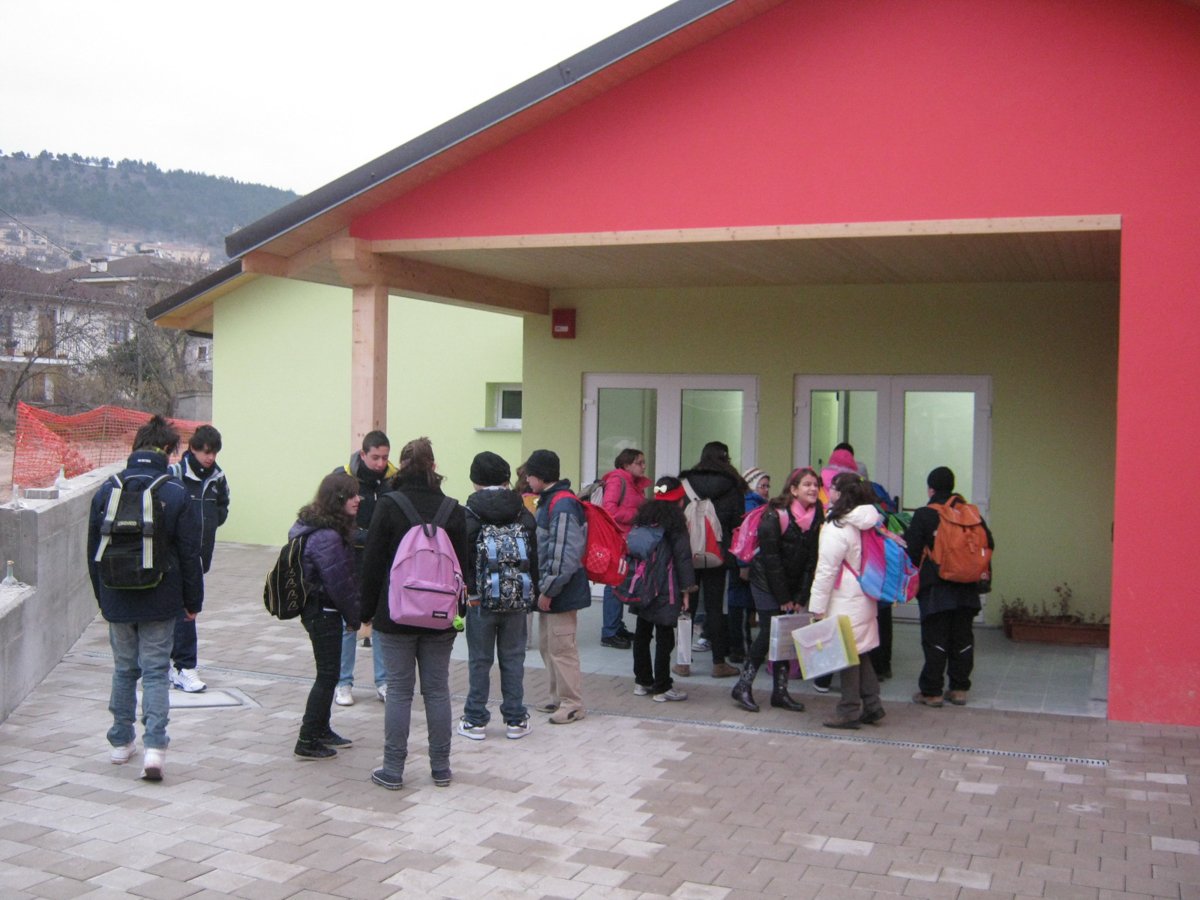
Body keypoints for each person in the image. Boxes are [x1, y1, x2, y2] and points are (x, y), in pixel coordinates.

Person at [87, 415, 204, 781]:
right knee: (155, 672)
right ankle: (155, 748)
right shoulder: (175, 492)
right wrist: (192, 602)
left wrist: (102, 599)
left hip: (116, 597)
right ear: (169, 451)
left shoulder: (107, 490)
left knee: (124, 669)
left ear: (136, 448)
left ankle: (120, 742)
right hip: (161, 597)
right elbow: (189, 556)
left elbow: (92, 552)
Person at [360, 437, 467, 790]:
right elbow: (465, 567)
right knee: (437, 691)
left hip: (395, 613)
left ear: (401, 468)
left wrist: (365, 612)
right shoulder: (453, 508)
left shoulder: (389, 505)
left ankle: (393, 769)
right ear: (434, 468)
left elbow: (373, 562)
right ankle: (441, 767)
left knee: (400, 691)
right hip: (440, 616)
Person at [458, 451, 539, 741]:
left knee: (479, 659)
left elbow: (462, 559)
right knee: (513, 658)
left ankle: (475, 719)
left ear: (475, 480)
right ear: (506, 479)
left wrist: (467, 593)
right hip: (516, 599)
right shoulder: (522, 511)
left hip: (480, 598)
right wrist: (533, 593)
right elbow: (533, 554)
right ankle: (516, 719)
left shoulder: (469, 513)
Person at [731, 468, 823, 713]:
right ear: (793, 490)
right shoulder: (775, 515)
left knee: (785, 633)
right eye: (807, 485)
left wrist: (800, 596)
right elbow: (771, 559)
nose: (813, 489)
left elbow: (812, 559)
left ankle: (780, 693)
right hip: (765, 581)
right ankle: (743, 685)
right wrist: (783, 597)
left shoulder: (817, 514)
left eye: (816, 484)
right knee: (770, 630)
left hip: (791, 583)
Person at [904, 466, 995, 708]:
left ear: (930, 489)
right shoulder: (971, 515)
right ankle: (959, 689)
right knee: (962, 638)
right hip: (967, 588)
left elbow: (912, 552)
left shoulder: (924, 514)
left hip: (936, 589)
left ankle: (932, 692)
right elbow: (989, 544)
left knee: (935, 639)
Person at [289, 472, 361, 760]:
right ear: (338, 498)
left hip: (318, 609)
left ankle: (322, 728)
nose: (358, 499)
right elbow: (339, 584)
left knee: (328, 674)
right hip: (323, 610)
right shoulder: (327, 536)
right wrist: (355, 616)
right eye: (352, 495)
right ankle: (307, 738)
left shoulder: (318, 527)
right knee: (327, 675)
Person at [808, 472, 886, 729]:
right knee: (860, 649)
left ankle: (848, 710)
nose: (827, 491)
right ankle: (872, 705)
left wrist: (817, 608)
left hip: (845, 597)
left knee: (846, 652)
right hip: (866, 592)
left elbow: (826, 570)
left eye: (830, 488)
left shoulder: (837, 526)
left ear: (839, 494)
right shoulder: (871, 519)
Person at [524, 449, 590, 725]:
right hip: (552, 590)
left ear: (539, 476)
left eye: (529, 474)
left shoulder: (562, 505)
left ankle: (572, 703)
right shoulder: (550, 501)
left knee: (562, 649)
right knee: (549, 646)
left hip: (560, 591)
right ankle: (557, 697)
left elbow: (565, 553)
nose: (526, 479)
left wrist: (549, 590)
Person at [334, 430, 397, 707]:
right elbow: (335, 521)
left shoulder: (394, 480)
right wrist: (368, 537)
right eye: (375, 457)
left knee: (382, 622)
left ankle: (383, 682)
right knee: (349, 623)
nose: (380, 464)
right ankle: (343, 683)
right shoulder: (343, 477)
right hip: (351, 559)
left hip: (382, 562)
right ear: (363, 454)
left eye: (384, 457)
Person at [167, 424, 230, 694]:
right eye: (206, 452)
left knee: (181, 610)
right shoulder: (175, 474)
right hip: (176, 556)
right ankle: (185, 667)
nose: (210, 458)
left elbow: (222, 506)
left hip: (200, 555)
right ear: (193, 449)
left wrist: (212, 524)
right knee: (187, 611)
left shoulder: (218, 476)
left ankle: (171, 663)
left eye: (214, 452)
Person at [678, 441, 746, 678]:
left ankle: (683, 662)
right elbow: (739, 523)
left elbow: (677, 517)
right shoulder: (733, 484)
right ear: (725, 458)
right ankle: (719, 663)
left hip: (688, 552)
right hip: (718, 554)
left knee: (688, 606)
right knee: (716, 607)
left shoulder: (685, 483)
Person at [629, 477, 696, 702]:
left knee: (642, 633)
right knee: (664, 636)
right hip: (666, 587)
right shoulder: (676, 523)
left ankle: (642, 681)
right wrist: (687, 590)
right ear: (679, 499)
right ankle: (662, 687)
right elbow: (683, 558)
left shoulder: (644, 517)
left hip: (644, 585)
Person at [598, 448, 652, 649]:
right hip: (617, 539)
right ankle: (609, 632)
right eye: (640, 462)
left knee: (620, 582)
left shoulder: (634, 484)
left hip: (627, 539)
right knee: (614, 583)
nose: (644, 466)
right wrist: (638, 514)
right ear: (626, 465)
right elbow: (609, 509)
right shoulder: (617, 480)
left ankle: (616, 626)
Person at [726, 467, 770, 664]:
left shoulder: (755, 503)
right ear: (752, 485)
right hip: (746, 561)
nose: (767, 490)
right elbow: (746, 537)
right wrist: (744, 564)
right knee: (742, 604)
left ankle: (739, 647)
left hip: (744, 560)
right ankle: (741, 649)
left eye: (768, 485)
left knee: (740, 603)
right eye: (763, 485)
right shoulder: (751, 504)